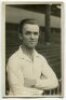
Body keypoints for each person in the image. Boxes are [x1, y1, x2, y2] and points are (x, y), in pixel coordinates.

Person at [6, 18, 59, 97]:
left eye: (35, 33)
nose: (32, 37)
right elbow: (19, 93)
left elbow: (54, 82)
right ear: (21, 36)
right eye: (28, 33)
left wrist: (34, 82)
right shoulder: (14, 60)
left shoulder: (40, 59)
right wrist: (40, 88)